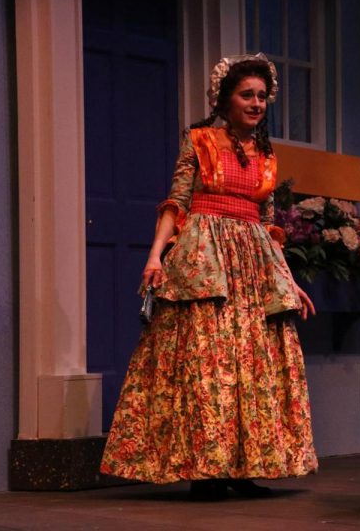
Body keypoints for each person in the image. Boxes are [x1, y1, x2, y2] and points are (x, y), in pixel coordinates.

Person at [101, 53, 318, 499]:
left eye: (262, 96)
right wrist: (155, 257)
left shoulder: (267, 154)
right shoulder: (200, 142)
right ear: (226, 99)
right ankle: (205, 470)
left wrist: (288, 279)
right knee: (207, 363)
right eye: (247, 95)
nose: (256, 103)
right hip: (206, 261)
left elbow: (269, 224)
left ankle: (242, 468)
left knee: (250, 367)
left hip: (254, 266)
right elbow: (176, 202)